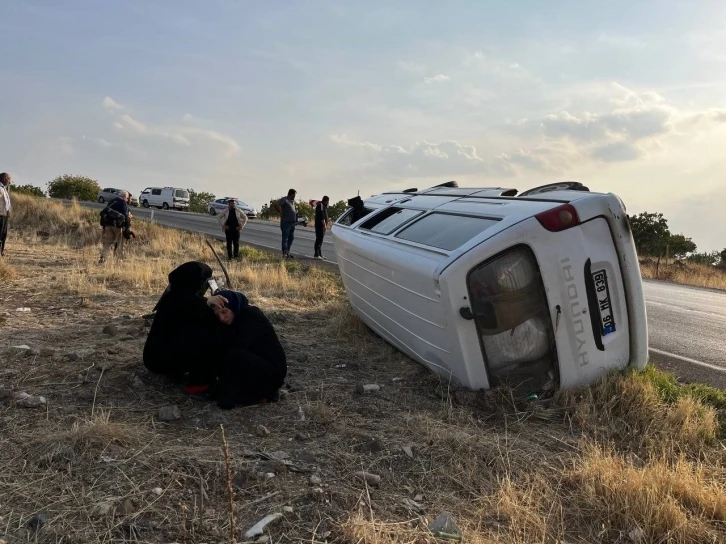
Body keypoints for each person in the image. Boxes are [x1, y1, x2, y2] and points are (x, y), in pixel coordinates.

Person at [143, 261, 228, 388]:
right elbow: (200, 312)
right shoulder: (183, 300)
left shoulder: (176, 295)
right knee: (210, 337)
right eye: (206, 282)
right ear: (197, 282)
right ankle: (198, 386)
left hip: (157, 357)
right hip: (159, 360)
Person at [210, 290, 287, 409]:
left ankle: (267, 393)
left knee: (232, 355)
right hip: (253, 366)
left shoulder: (250, 315)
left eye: (224, 312)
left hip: (272, 372)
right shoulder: (234, 318)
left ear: (233, 306)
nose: (222, 318)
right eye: (217, 315)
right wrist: (207, 303)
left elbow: (236, 350)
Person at [99, 191, 132, 263]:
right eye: (127, 198)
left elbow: (105, 212)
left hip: (108, 225)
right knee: (120, 244)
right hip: (118, 227)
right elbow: (125, 216)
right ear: (124, 197)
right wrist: (127, 227)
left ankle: (103, 258)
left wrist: (104, 226)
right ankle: (119, 260)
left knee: (107, 243)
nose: (127, 200)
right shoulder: (123, 203)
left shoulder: (111, 201)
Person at [274, 189, 297, 259]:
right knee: (285, 237)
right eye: (294, 195)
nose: (295, 196)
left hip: (292, 223)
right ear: (291, 194)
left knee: (291, 238)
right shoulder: (284, 199)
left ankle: (288, 252)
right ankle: (284, 252)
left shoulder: (292, 202)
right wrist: (281, 213)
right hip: (286, 222)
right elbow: (276, 205)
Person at [0, 173, 12, 257]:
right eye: (9, 179)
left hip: (4, 215)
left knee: (4, 234)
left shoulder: (4, 188)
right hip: (0, 215)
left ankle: (1, 251)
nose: (10, 182)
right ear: (4, 179)